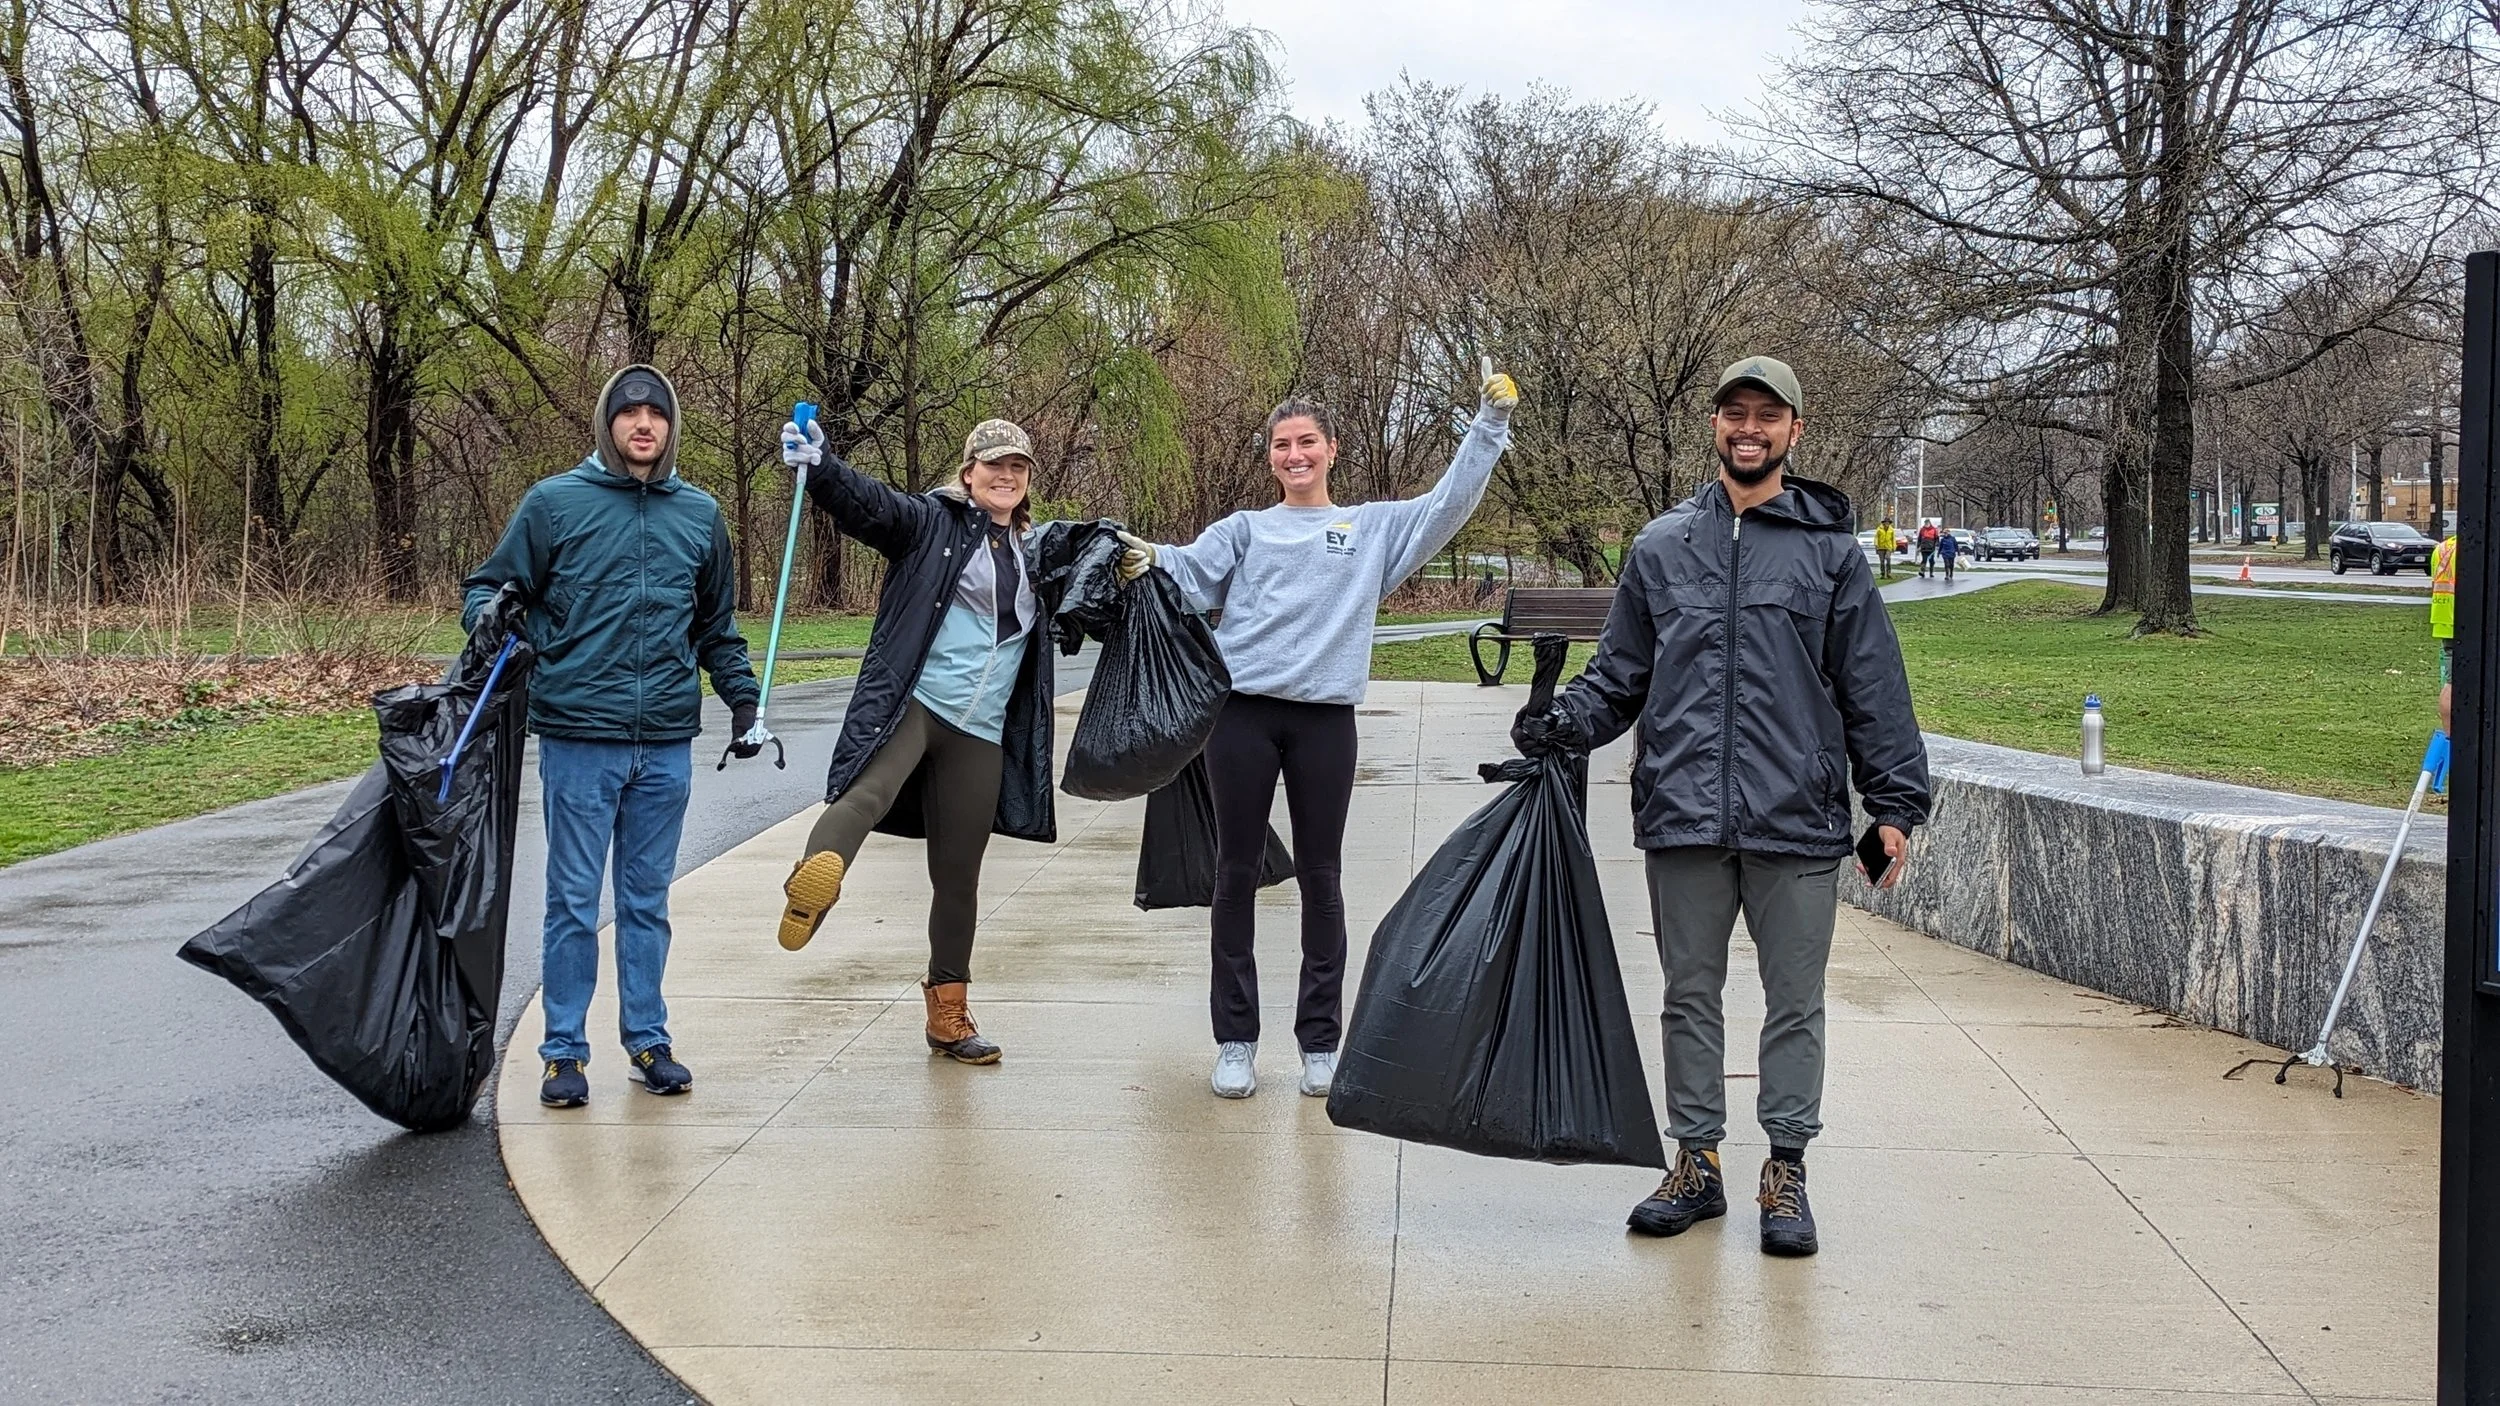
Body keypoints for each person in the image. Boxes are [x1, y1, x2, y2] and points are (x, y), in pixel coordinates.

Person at [1514, 355, 1931, 1257]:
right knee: (1689, 996)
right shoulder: (1663, 547)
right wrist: (1562, 722)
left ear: (1794, 431)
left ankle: (1785, 1169)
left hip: (1800, 819)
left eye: (1767, 416)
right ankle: (1695, 1163)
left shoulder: (1828, 553)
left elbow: (1875, 689)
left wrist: (1895, 803)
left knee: (1795, 1002)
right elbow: (1620, 677)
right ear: (1715, 426)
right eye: (1735, 413)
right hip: (1685, 815)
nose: (1750, 429)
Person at [1115, 358, 1519, 1100]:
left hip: (1325, 723)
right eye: (1281, 446)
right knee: (1234, 875)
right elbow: (1185, 570)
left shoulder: (1367, 529)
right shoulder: (1245, 530)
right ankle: (1236, 1040)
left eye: (1307, 443)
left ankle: (1320, 1043)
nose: (1294, 456)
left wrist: (1488, 427)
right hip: (1240, 718)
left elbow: (1445, 506)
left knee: (1322, 878)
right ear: (1269, 457)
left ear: (1333, 449)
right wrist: (1136, 554)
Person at [463, 364, 762, 1107]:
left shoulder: (699, 515)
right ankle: (563, 1052)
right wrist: (492, 617)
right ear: (607, 423)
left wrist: (745, 703)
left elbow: (715, 628)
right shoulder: (556, 504)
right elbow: (488, 588)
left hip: (663, 738)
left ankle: (648, 1039)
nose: (642, 424)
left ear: (670, 427)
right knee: (571, 900)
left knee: (646, 900)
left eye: (655, 414)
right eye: (628, 413)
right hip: (577, 734)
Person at [772, 418, 1061, 1065]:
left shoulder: (1035, 552)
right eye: (993, 466)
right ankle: (812, 884)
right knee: (866, 793)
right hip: (917, 704)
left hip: (980, 733)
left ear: (1028, 479)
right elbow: (867, 504)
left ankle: (948, 1016)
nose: (1005, 476)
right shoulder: (931, 523)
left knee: (959, 877)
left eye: (1017, 467)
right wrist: (821, 466)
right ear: (968, 473)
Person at [2435, 532, 2458, 733]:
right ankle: (2451, 740)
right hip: (2464, 621)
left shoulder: (2442, 548)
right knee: (2453, 684)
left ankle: (2449, 735)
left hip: (2444, 621)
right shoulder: (2473, 549)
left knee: (2451, 681)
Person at [1873, 516, 1897, 581]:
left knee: (1888, 558)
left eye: (1888, 522)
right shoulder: (1879, 529)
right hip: (1880, 547)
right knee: (1882, 561)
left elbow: (1893, 539)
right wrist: (1876, 545)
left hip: (1888, 547)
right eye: (1886, 522)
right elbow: (1876, 537)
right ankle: (1883, 574)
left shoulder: (1891, 530)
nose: (1887, 523)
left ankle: (1888, 573)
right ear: (1884, 523)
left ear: (1889, 523)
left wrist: (1894, 547)